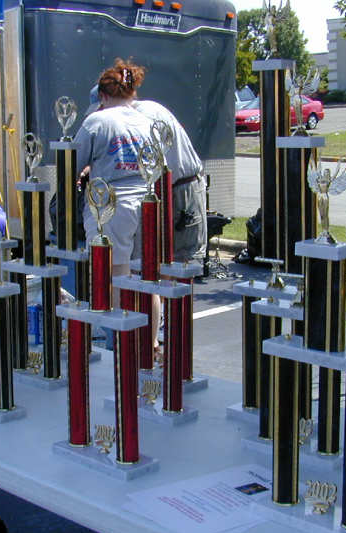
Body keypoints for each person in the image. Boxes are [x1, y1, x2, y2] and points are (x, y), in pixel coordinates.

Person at [74, 59, 162, 357]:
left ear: (102, 95)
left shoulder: (97, 121)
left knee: (114, 277)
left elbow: (71, 163)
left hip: (112, 207)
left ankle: (125, 347)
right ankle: (150, 343)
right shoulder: (147, 122)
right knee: (147, 278)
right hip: (148, 204)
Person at [87, 83, 207, 262]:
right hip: (165, 190)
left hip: (180, 191)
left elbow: (138, 159)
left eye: (102, 110)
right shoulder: (132, 116)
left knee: (181, 262)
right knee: (154, 260)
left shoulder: (144, 115)